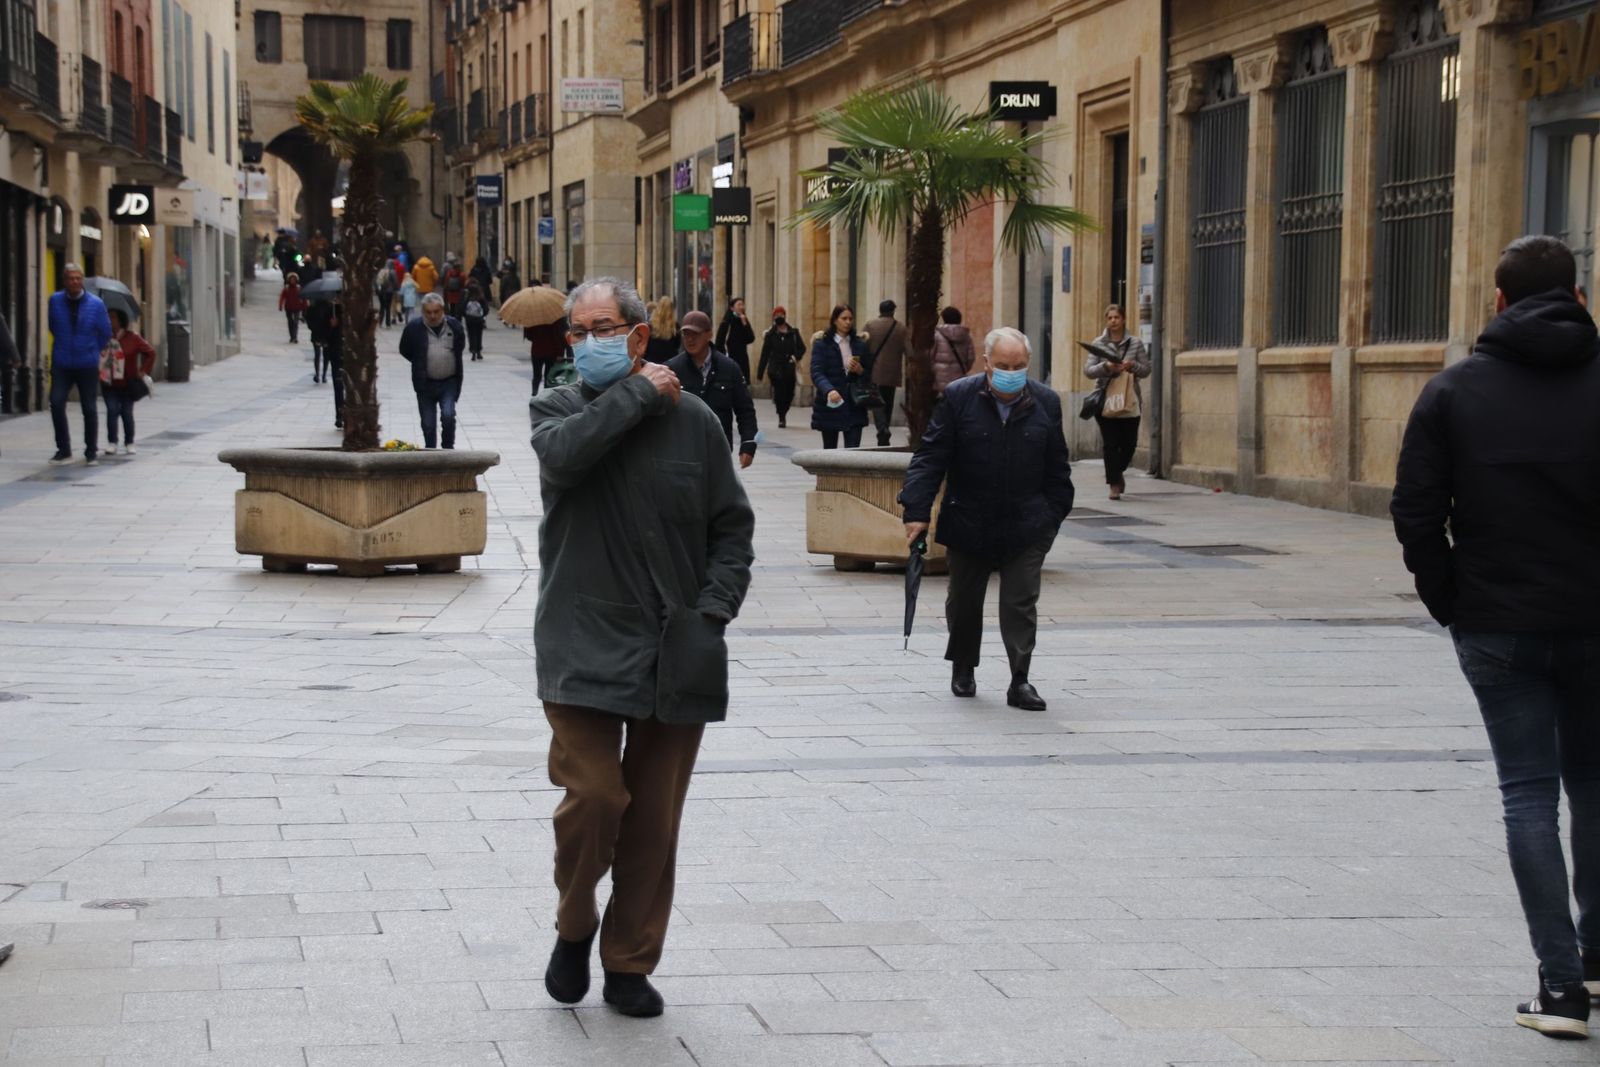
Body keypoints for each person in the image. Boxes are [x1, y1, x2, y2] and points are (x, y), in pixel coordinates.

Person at [528, 276, 754, 1019]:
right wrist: (636, 395)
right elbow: (564, 458)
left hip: (673, 646)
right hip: (581, 639)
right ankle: (573, 921)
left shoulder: (696, 424)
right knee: (594, 798)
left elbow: (732, 527)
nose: (587, 340)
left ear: (634, 334)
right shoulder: (559, 404)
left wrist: (713, 611)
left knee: (654, 820)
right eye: (577, 330)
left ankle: (628, 960)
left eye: (603, 327)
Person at [1392, 234, 1600, 1041]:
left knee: (1527, 792)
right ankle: (1591, 958)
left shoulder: (1453, 393)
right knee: (1592, 780)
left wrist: (1452, 598)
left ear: (1500, 303)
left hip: (1497, 623)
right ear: (1579, 298)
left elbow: (1415, 511)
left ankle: (1559, 988)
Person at [900, 327, 1073, 710]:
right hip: (969, 518)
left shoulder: (1046, 402)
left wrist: (1050, 519)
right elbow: (930, 457)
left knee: (1020, 601)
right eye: (1003, 366)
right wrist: (916, 512)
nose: (1011, 373)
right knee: (963, 600)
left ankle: (1020, 679)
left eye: (1020, 366)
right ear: (986, 364)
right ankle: (963, 665)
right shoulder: (959, 397)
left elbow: (1057, 469)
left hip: (1027, 522)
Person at [668, 309, 758, 468]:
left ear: (709, 334)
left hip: (718, 453)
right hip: (682, 456)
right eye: (686, 334)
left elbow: (745, 409)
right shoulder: (671, 369)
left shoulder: (729, 368)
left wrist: (748, 444)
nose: (690, 339)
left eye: (695, 334)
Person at [1084, 303, 1152, 501]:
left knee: (1129, 443)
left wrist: (1133, 366)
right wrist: (1106, 366)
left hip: (1130, 399)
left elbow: (1146, 370)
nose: (1113, 321)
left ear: (1123, 319)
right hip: (1105, 399)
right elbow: (1088, 371)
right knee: (1111, 443)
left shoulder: (1135, 343)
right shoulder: (1098, 343)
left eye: (1116, 317)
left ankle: (1117, 470)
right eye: (1110, 318)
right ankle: (1114, 484)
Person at [47, 264, 112, 465]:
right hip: (62, 361)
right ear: (64, 281)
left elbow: (105, 332)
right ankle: (63, 449)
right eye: (70, 278)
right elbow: (52, 326)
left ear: (82, 280)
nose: (74, 282)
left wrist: (93, 349)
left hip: (86, 362)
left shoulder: (96, 304)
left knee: (89, 408)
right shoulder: (55, 301)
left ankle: (91, 451)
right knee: (56, 403)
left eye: (77, 278)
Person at [398, 293, 465, 449]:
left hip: (449, 381)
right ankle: (431, 452)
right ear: (423, 311)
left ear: (442, 310)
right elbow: (404, 349)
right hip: (425, 383)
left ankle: (447, 449)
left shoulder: (454, 326)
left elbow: (459, 346)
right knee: (428, 423)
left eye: (436, 311)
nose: (433, 316)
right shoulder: (414, 328)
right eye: (428, 312)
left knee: (448, 416)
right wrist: (419, 361)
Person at [809, 304, 873, 449]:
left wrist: (860, 371)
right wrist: (829, 390)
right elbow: (816, 372)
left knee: (853, 452)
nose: (848, 322)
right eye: (844, 318)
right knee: (830, 452)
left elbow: (869, 375)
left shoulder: (860, 345)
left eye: (850, 319)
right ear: (835, 320)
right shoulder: (822, 344)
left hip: (854, 404)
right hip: (831, 404)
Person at [101, 308, 156, 456]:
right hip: (109, 382)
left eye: (112, 318)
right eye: (108, 317)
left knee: (126, 412)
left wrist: (143, 370)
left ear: (120, 320)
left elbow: (150, 352)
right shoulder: (103, 337)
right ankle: (112, 442)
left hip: (127, 383)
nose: (110, 320)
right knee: (112, 410)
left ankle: (129, 442)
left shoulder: (133, 338)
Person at [865, 299, 906, 446]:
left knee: (877, 403)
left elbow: (863, 346)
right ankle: (885, 429)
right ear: (893, 311)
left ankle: (882, 428)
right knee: (888, 402)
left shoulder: (870, 325)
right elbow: (909, 351)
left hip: (875, 371)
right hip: (893, 372)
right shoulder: (901, 328)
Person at [755, 306, 804, 429]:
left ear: (785, 316)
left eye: (781, 315)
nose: (779, 317)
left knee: (789, 392)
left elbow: (802, 348)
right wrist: (760, 373)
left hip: (789, 366)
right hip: (775, 367)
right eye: (776, 315)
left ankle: (784, 409)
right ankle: (781, 416)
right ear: (773, 318)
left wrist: (795, 357)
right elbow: (765, 353)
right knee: (779, 392)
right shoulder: (770, 335)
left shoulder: (793, 333)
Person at [308, 298, 347, 429]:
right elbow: (318, 328)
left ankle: (349, 413)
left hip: (351, 353)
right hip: (336, 352)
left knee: (348, 385)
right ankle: (340, 415)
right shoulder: (330, 310)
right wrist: (330, 326)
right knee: (338, 383)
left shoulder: (352, 310)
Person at [932, 305, 976, 398]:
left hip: (940, 381)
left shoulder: (937, 335)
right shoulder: (966, 337)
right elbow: (971, 358)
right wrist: (962, 368)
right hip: (959, 380)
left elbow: (931, 356)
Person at [714, 297, 756, 382]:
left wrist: (745, 324)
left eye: (742, 305)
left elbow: (750, 338)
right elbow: (719, 342)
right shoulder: (727, 321)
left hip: (742, 357)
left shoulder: (743, 320)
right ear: (732, 308)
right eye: (739, 304)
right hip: (729, 356)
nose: (741, 307)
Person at [645, 296, 679, 364]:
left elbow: (646, 345)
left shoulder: (651, 326)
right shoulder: (675, 327)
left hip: (652, 362)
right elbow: (677, 345)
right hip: (670, 363)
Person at [278, 273, 307, 344]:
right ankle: (292, 336)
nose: (293, 281)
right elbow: (282, 297)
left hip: (297, 307)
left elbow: (303, 298)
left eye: (294, 279)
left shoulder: (299, 288)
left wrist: (304, 306)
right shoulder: (287, 288)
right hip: (288, 307)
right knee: (290, 322)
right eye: (291, 279)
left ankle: (295, 337)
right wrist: (280, 305)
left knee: (295, 322)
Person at [463, 284, 488, 361]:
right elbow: (486, 309)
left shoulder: (467, 299)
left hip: (469, 320)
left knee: (471, 335)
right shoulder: (481, 298)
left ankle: (473, 351)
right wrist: (482, 315)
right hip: (479, 320)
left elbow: (462, 308)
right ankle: (479, 351)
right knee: (478, 335)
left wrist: (465, 316)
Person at [377, 260, 397, 328]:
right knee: (388, 307)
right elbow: (395, 281)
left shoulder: (381, 271)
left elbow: (377, 281)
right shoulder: (392, 271)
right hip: (389, 291)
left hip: (381, 291)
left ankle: (380, 322)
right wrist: (395, 288)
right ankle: (388, 323)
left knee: (382, 306)